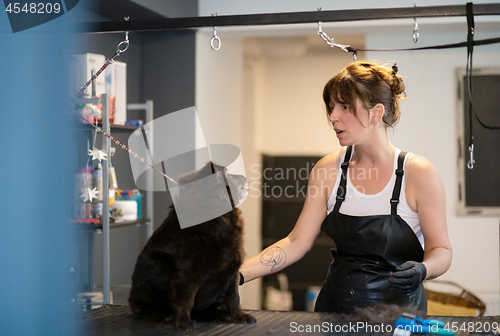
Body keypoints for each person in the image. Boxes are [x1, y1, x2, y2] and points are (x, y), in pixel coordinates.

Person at [239, 61, 452, 314]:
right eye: (331, 106)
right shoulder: (327, 170)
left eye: (345, 106)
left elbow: (441, 250)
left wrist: (424, 269)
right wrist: (237, 275)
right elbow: (296, 242)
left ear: (376, 113)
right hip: (335, 310)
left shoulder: (418, 174)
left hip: (400, 317)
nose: (332, 116)